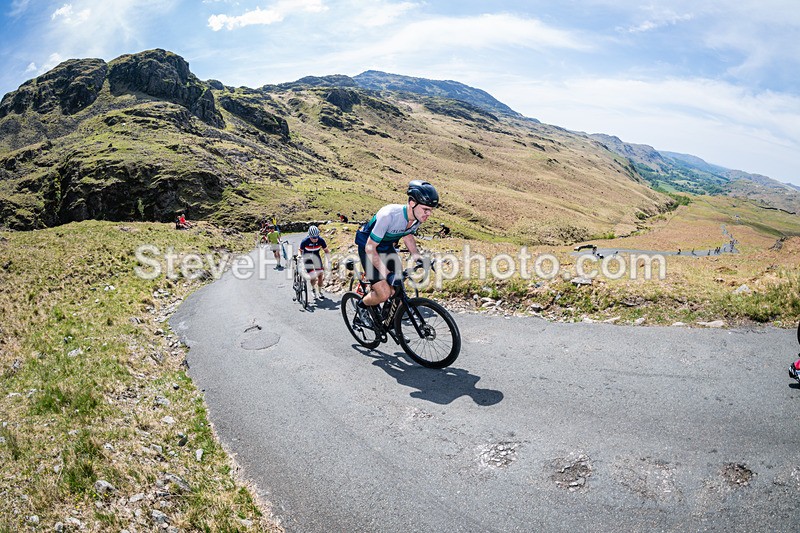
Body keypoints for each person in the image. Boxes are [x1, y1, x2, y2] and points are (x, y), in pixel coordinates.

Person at [354, 180, 438, 326]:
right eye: (426, 209)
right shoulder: (389, 215)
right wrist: (387, 274)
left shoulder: (417, 218)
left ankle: (388, 320)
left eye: (430, 210)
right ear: (412, 203)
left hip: (386, 247)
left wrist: (417, 257)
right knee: (384, 293)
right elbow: (370, 248)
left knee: (398, 289)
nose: (428, 214)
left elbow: (408, 235)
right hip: (368, 247)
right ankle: (361, 307)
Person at [299, 225, 330, 298]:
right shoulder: (305, 241)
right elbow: (300, 250)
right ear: (309, 236)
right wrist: (299, 255)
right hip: (307, 259)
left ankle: (319, 291)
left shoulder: (321, 240)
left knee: (320, 275)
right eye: (313, 238)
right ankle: (313, 289)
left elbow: (326, 250)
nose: (315, 239)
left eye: (317, 237)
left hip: (316, 257)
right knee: (313, 276)